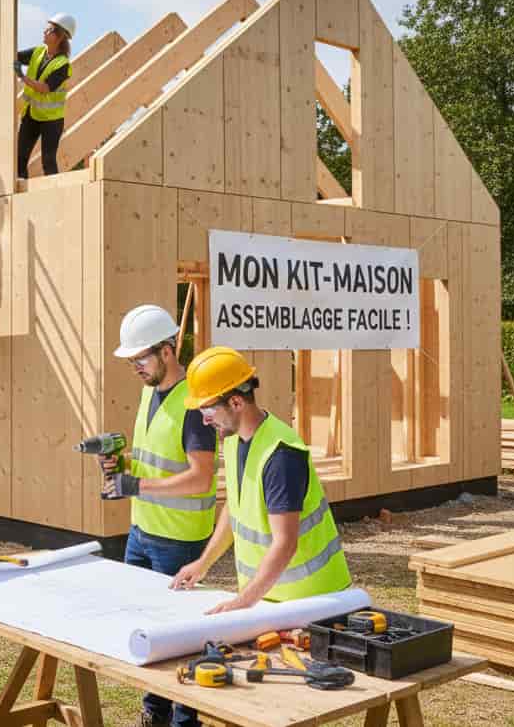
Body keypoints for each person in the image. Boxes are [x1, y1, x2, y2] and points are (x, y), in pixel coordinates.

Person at [170, 347, 351, 613]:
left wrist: (242, 603)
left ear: (236, 403)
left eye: (207, 410)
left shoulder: (281, 454)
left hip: (314, 602)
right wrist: (204, 563)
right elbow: (236, 508)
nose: (205, 421)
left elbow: (285, 543)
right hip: (267, 599)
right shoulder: (232, 440)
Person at [103, 304, 217, 727]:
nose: (136, 367)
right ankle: (154, 712)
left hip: (179, 541)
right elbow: (155, 457)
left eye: (141, 358)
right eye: (131, 360)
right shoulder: (150, 390)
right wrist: (123, 463)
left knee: (180, 635)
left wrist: (137, 486)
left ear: (168, 351)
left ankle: (185, 721)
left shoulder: (194, 404)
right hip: (142, 531)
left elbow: (201, 478)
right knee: (148, 629)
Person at [15, 12, 75, 179]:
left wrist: (22, 77)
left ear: (59, 37)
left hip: (51, 120)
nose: (44, 32)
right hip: (31, 114)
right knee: (20, 159)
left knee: (48, 161)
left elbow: (45, 88)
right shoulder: (38, 52)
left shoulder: (62, 64)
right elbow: (16, 56)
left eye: (49, 30)